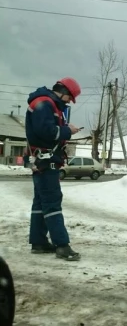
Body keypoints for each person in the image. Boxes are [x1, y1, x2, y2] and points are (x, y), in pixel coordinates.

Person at [24, 77, 82, 261]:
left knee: (40, 203)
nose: (68, 102)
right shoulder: (44, 103)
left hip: (42, 160)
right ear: (63, 92)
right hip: (45, 161)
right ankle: (62, 245)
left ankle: (39, 242)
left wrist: (64, 128)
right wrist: (67, 131)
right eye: (69, 99)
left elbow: (47, 129)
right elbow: (47, 132)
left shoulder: (46, 103)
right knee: (52, 202)